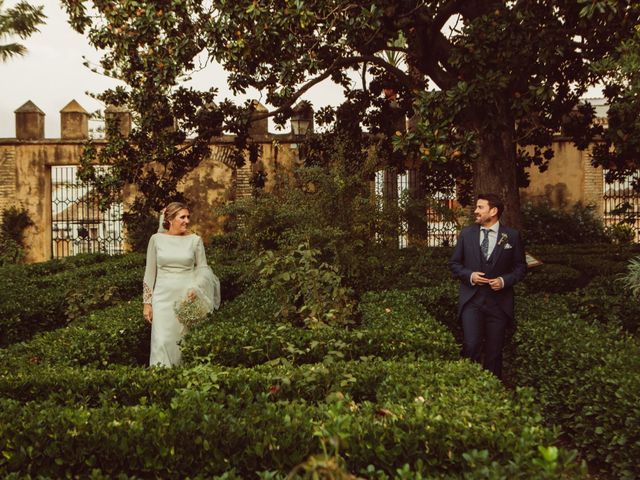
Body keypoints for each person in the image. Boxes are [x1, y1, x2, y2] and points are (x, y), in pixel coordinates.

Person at [449, 193, 527, 379]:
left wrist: (504, 281)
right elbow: (454, 264)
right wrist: (470, 275)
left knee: (494, 351)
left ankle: (493, 392)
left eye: (480, 207)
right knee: (471, 345)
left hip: (499, 304)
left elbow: (521, 267)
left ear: (493, 211)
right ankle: (470, 388)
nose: (475, 211)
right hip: (472, 301)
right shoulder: (467, 234)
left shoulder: (512, 236)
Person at [143, 202, 221, 367]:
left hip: (186, 298)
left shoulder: (195, 240)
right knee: (161, 340)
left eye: (188, 217)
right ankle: (160, 379)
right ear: (170, 219)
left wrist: (196, 288)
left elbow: (203, 269)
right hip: (162, 299)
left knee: (182, 342)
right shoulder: (156, 240)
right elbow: (150, 273)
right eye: (182, 217)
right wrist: (147, 303)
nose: (186, 221)